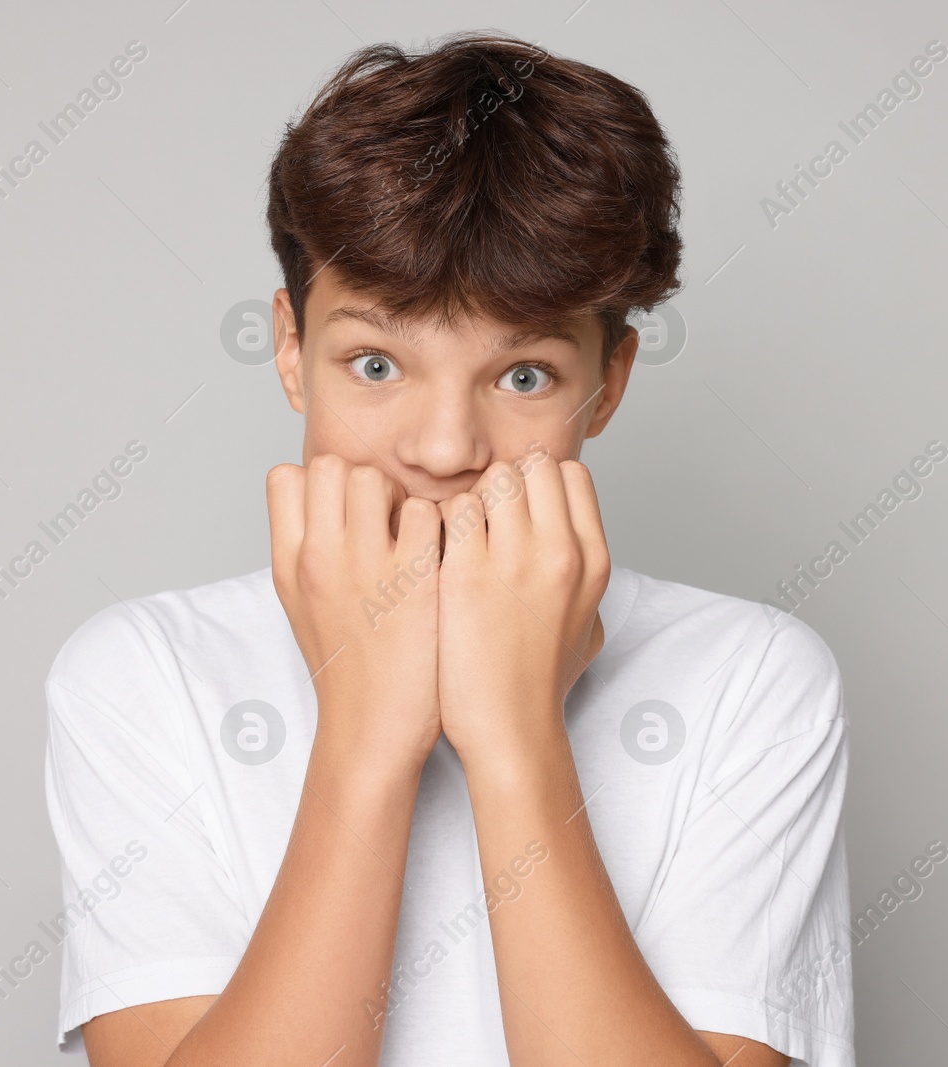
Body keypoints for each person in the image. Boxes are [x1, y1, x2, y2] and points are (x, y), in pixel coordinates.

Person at [44, 30, 853, 1067]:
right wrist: (368, 728)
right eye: (376, 361)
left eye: (523, 376)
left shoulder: (750, 679)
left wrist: (513, 734)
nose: (442, 449)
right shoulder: (144, 673)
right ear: (291, 350)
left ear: (607, 383)